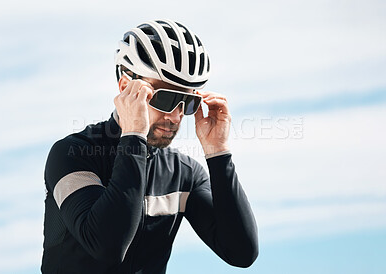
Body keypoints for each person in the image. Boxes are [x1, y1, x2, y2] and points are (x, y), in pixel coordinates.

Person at [41, 19, 258, 274]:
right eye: (165, 97)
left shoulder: (185, 174)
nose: (176, 116)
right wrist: (134, 134)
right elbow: (108, 246)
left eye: (187, 103)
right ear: (125, 87)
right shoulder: (72, 153)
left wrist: (218, 153)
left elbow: (241, 253)